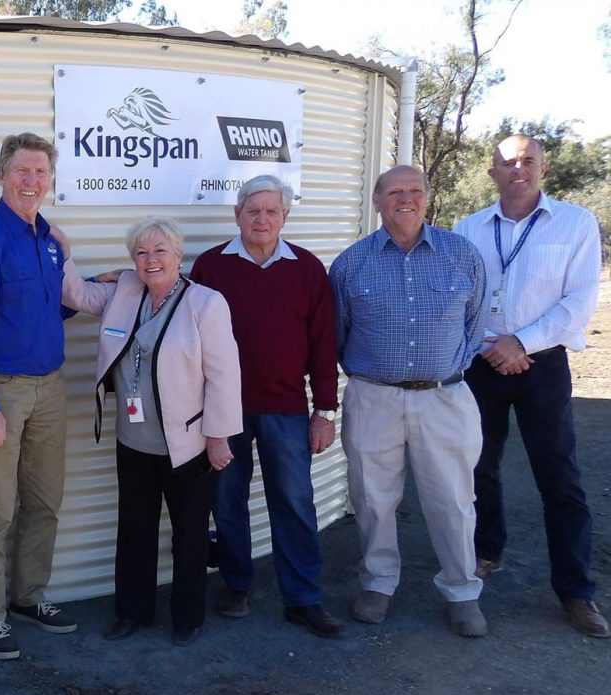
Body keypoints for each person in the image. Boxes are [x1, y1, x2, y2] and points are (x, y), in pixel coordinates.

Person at [60, 216, 242, 645]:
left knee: (190, 535)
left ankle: (187, 618)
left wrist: (218, 437)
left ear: (179, 255)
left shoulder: (206, 303)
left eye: (160, 251)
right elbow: (76, 294)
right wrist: (63, 247)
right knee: (135, 529)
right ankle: (132, 612)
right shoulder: (126, 291)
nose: (150, 259)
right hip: (134, 440)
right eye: (141, 253)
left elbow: (224, 375)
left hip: (189, 445)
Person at [453, 134, 607, 638]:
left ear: (542, 167)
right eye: (507, 163)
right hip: (482, 361)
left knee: (559, 475)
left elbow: (580, 300)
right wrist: (493, 347)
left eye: (527, 161)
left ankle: (576, 591)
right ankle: (485, 552)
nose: (518, 170)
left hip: (542, 362)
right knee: (478, 466)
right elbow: (458, 298)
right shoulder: (468, 227)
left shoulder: (575, 224)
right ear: (492, 171)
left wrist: (521, 342)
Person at [330, 165, 489, 637]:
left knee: (454, 500)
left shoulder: (462, 256)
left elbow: (475, 327)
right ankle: (378, 582)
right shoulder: (350, 264)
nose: (405, 198)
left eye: (414, 190)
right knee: (372, 498)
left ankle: (462, 590)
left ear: (427, 198)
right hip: (373, 397)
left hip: (445, 398)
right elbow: (338, 334)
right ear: (376, 201)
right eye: (394, 191)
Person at [189, 175, 345, 639]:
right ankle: (237, 584)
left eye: (271, 211)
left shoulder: (308, 269)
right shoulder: (212, 266)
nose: (261, 219)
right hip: (224, 410)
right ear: (236, 215)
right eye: (252, 210)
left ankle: (303, 597)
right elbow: (189, 340)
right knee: (227, 500)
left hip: (287, 409)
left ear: (285, 217)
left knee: (294, 501)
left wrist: (326, 410)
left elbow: (323, 345)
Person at [0, 132, 77, 661]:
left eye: (41, 173)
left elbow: (48, 310)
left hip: (50, 388)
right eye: (22, 171)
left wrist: (107, 286)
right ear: (1, 175)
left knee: (45, 501)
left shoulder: (48, 239)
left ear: (51, 180)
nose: (32, 181)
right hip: (1, 390)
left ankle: (28, 597)